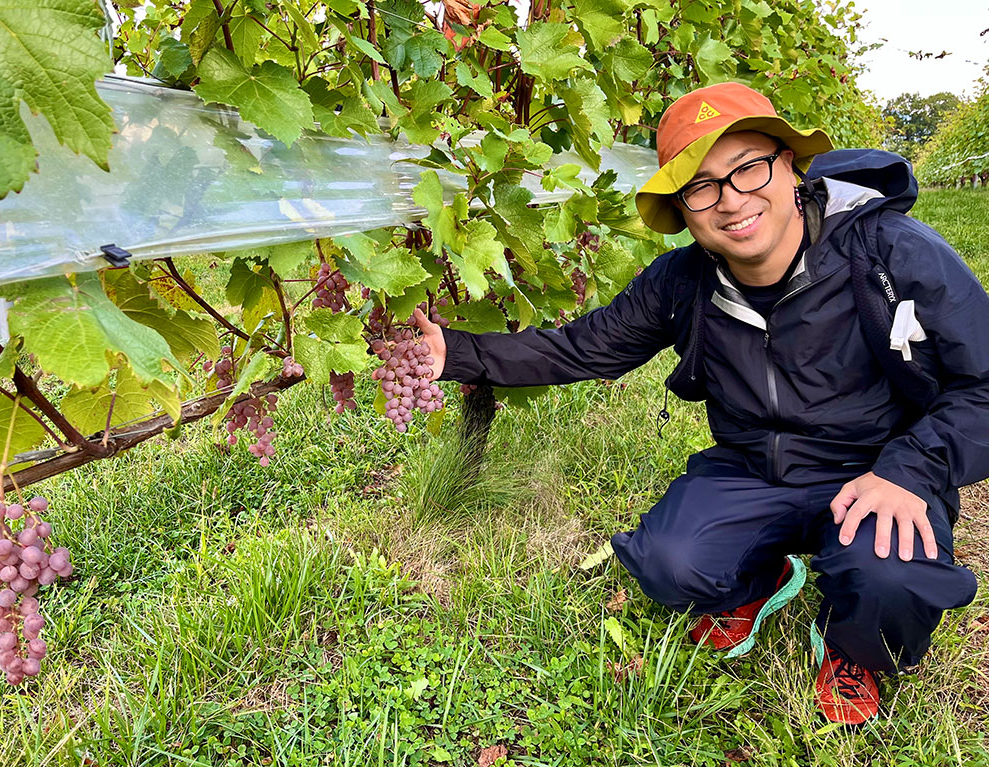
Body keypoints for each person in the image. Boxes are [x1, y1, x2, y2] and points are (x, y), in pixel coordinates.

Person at [411, 82, 989, 726]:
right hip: (752, 469)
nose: (731, 200)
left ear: (790, 166)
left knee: (890, 580)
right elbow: (583, 348)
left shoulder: (892, 254)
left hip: (875, 469)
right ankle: (757, 582)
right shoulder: (684, 281)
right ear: (684, 209)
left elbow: (986, 385)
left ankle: (853, 649)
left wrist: (909, 471)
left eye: (748, 168)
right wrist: (453, 354)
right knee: (668, 563)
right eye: (701, 186)